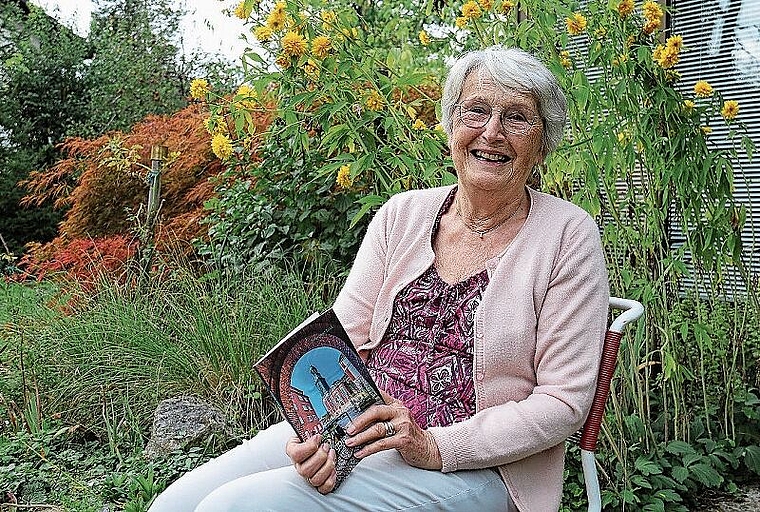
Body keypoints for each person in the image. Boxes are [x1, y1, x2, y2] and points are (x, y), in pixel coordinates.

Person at [148, 45, 609, 512]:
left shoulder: (568, 235)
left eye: (516, 117)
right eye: (476, 111)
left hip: (476, 467)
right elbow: (343, 337)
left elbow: (563, 402)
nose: (491, 133)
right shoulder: (401, 215)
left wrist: (434, 446)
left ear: (543, 141)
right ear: (451, 126)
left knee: (235, 507)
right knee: (174, 505)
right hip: (357, 433)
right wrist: (315, 436)